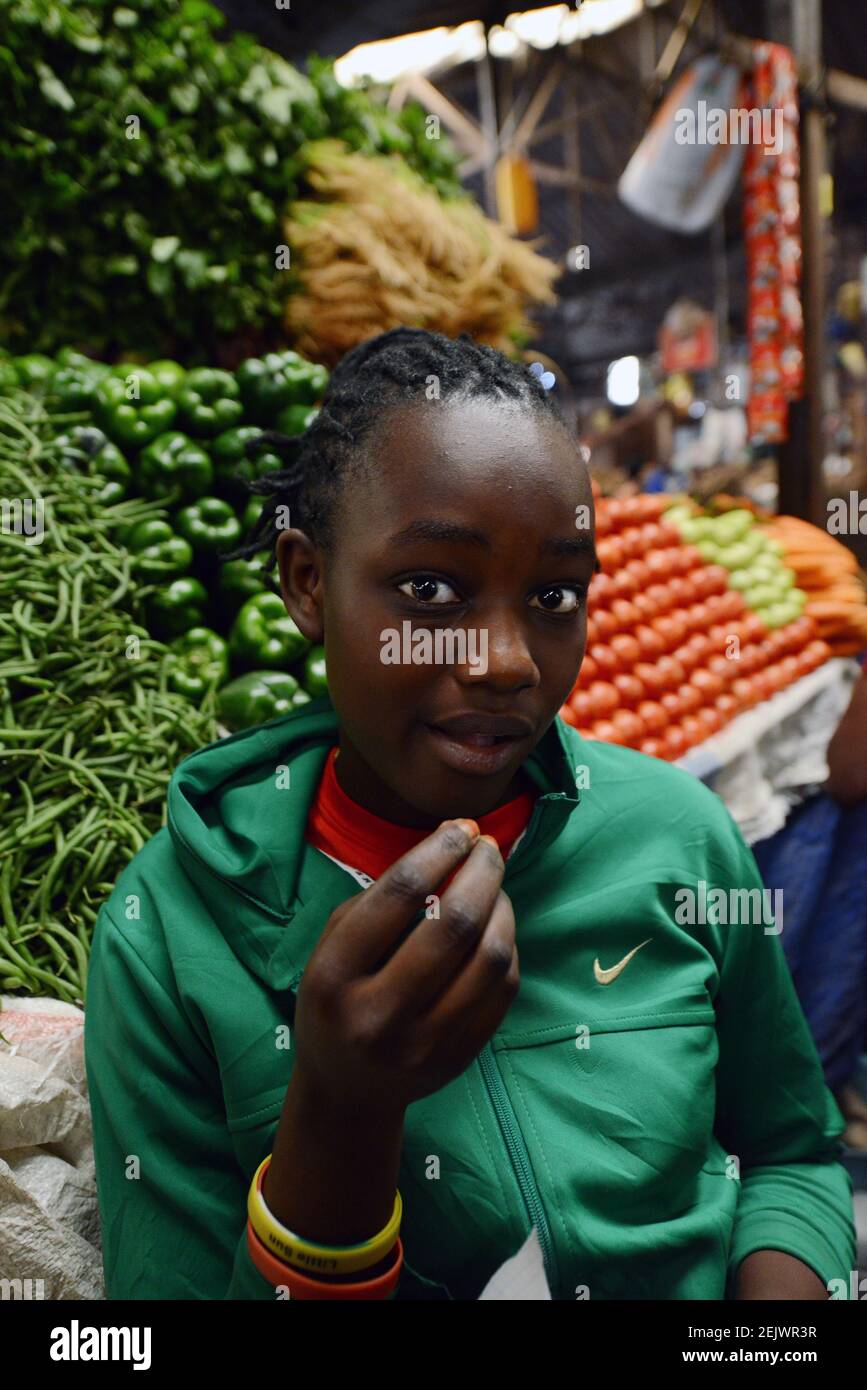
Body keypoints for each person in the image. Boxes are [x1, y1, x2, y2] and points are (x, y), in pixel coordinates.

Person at [84, 327, 855, 1301]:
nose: (507, 661)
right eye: (432, 589)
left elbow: (789, 1148)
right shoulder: (167, 939)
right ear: (307, 581)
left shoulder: (679, 836)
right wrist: (339, 1111)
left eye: (553, 594)